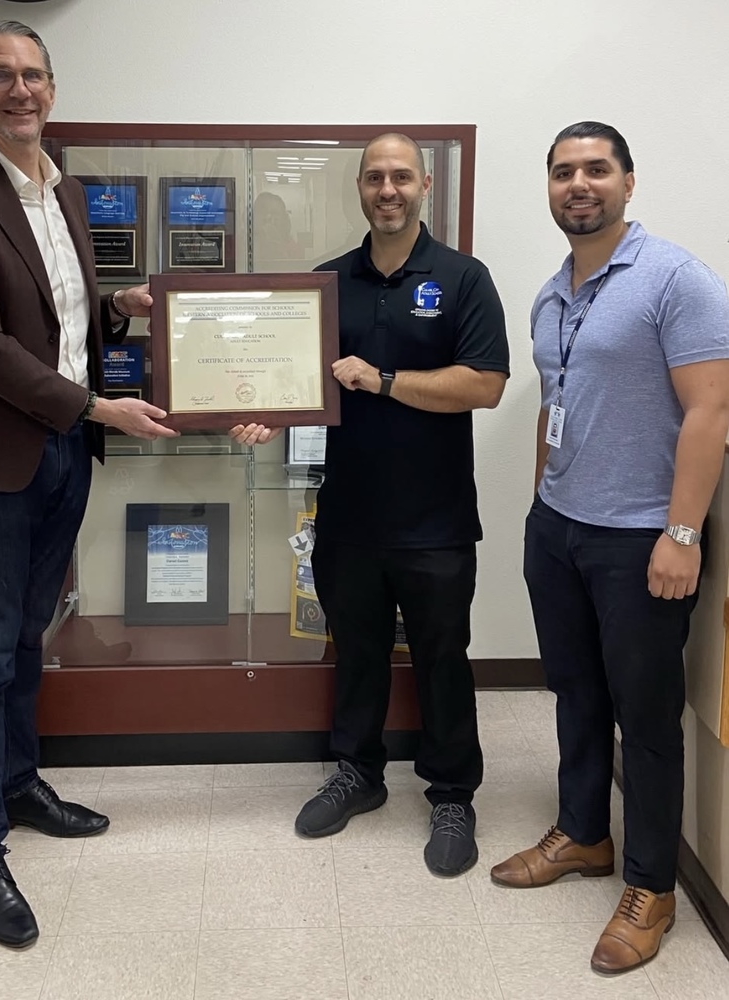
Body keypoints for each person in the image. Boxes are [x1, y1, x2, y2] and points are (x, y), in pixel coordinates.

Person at [0, 20, 177, 948]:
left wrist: (118, 308)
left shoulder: (61, 192)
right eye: (0, 77)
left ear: (51, 88)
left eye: (34, 76)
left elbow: (51, 314)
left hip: (60, 453)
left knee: (28, 636)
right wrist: (100, 409)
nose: (20, 91)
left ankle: (18, 786)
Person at [233, 133, 509, 876]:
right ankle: (357, 773)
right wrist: (265, 411)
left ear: (423, 184)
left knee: (441, 660)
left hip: (436, 521)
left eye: (399, 177)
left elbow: (484, 385)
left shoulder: (461, 278)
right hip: (348, 516)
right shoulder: (326, 284)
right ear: (359, 188)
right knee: (353, 654)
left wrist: (384, 379)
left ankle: (451, 793)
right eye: (373, 178)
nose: (387, 190)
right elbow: (296, 382)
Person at [490, 122, 729, 975]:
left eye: (595, 169)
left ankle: (650, 886)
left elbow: (710, 411)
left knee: (645, 716)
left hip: (639, 538)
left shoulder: (675, 280)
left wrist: (680, 533)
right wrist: (536, 509)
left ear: (628, 182)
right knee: (574, 694)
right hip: (557, 531)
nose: (577, 184)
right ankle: (583, 834)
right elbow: (557, 408)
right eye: (562, 172)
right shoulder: (551, 293)